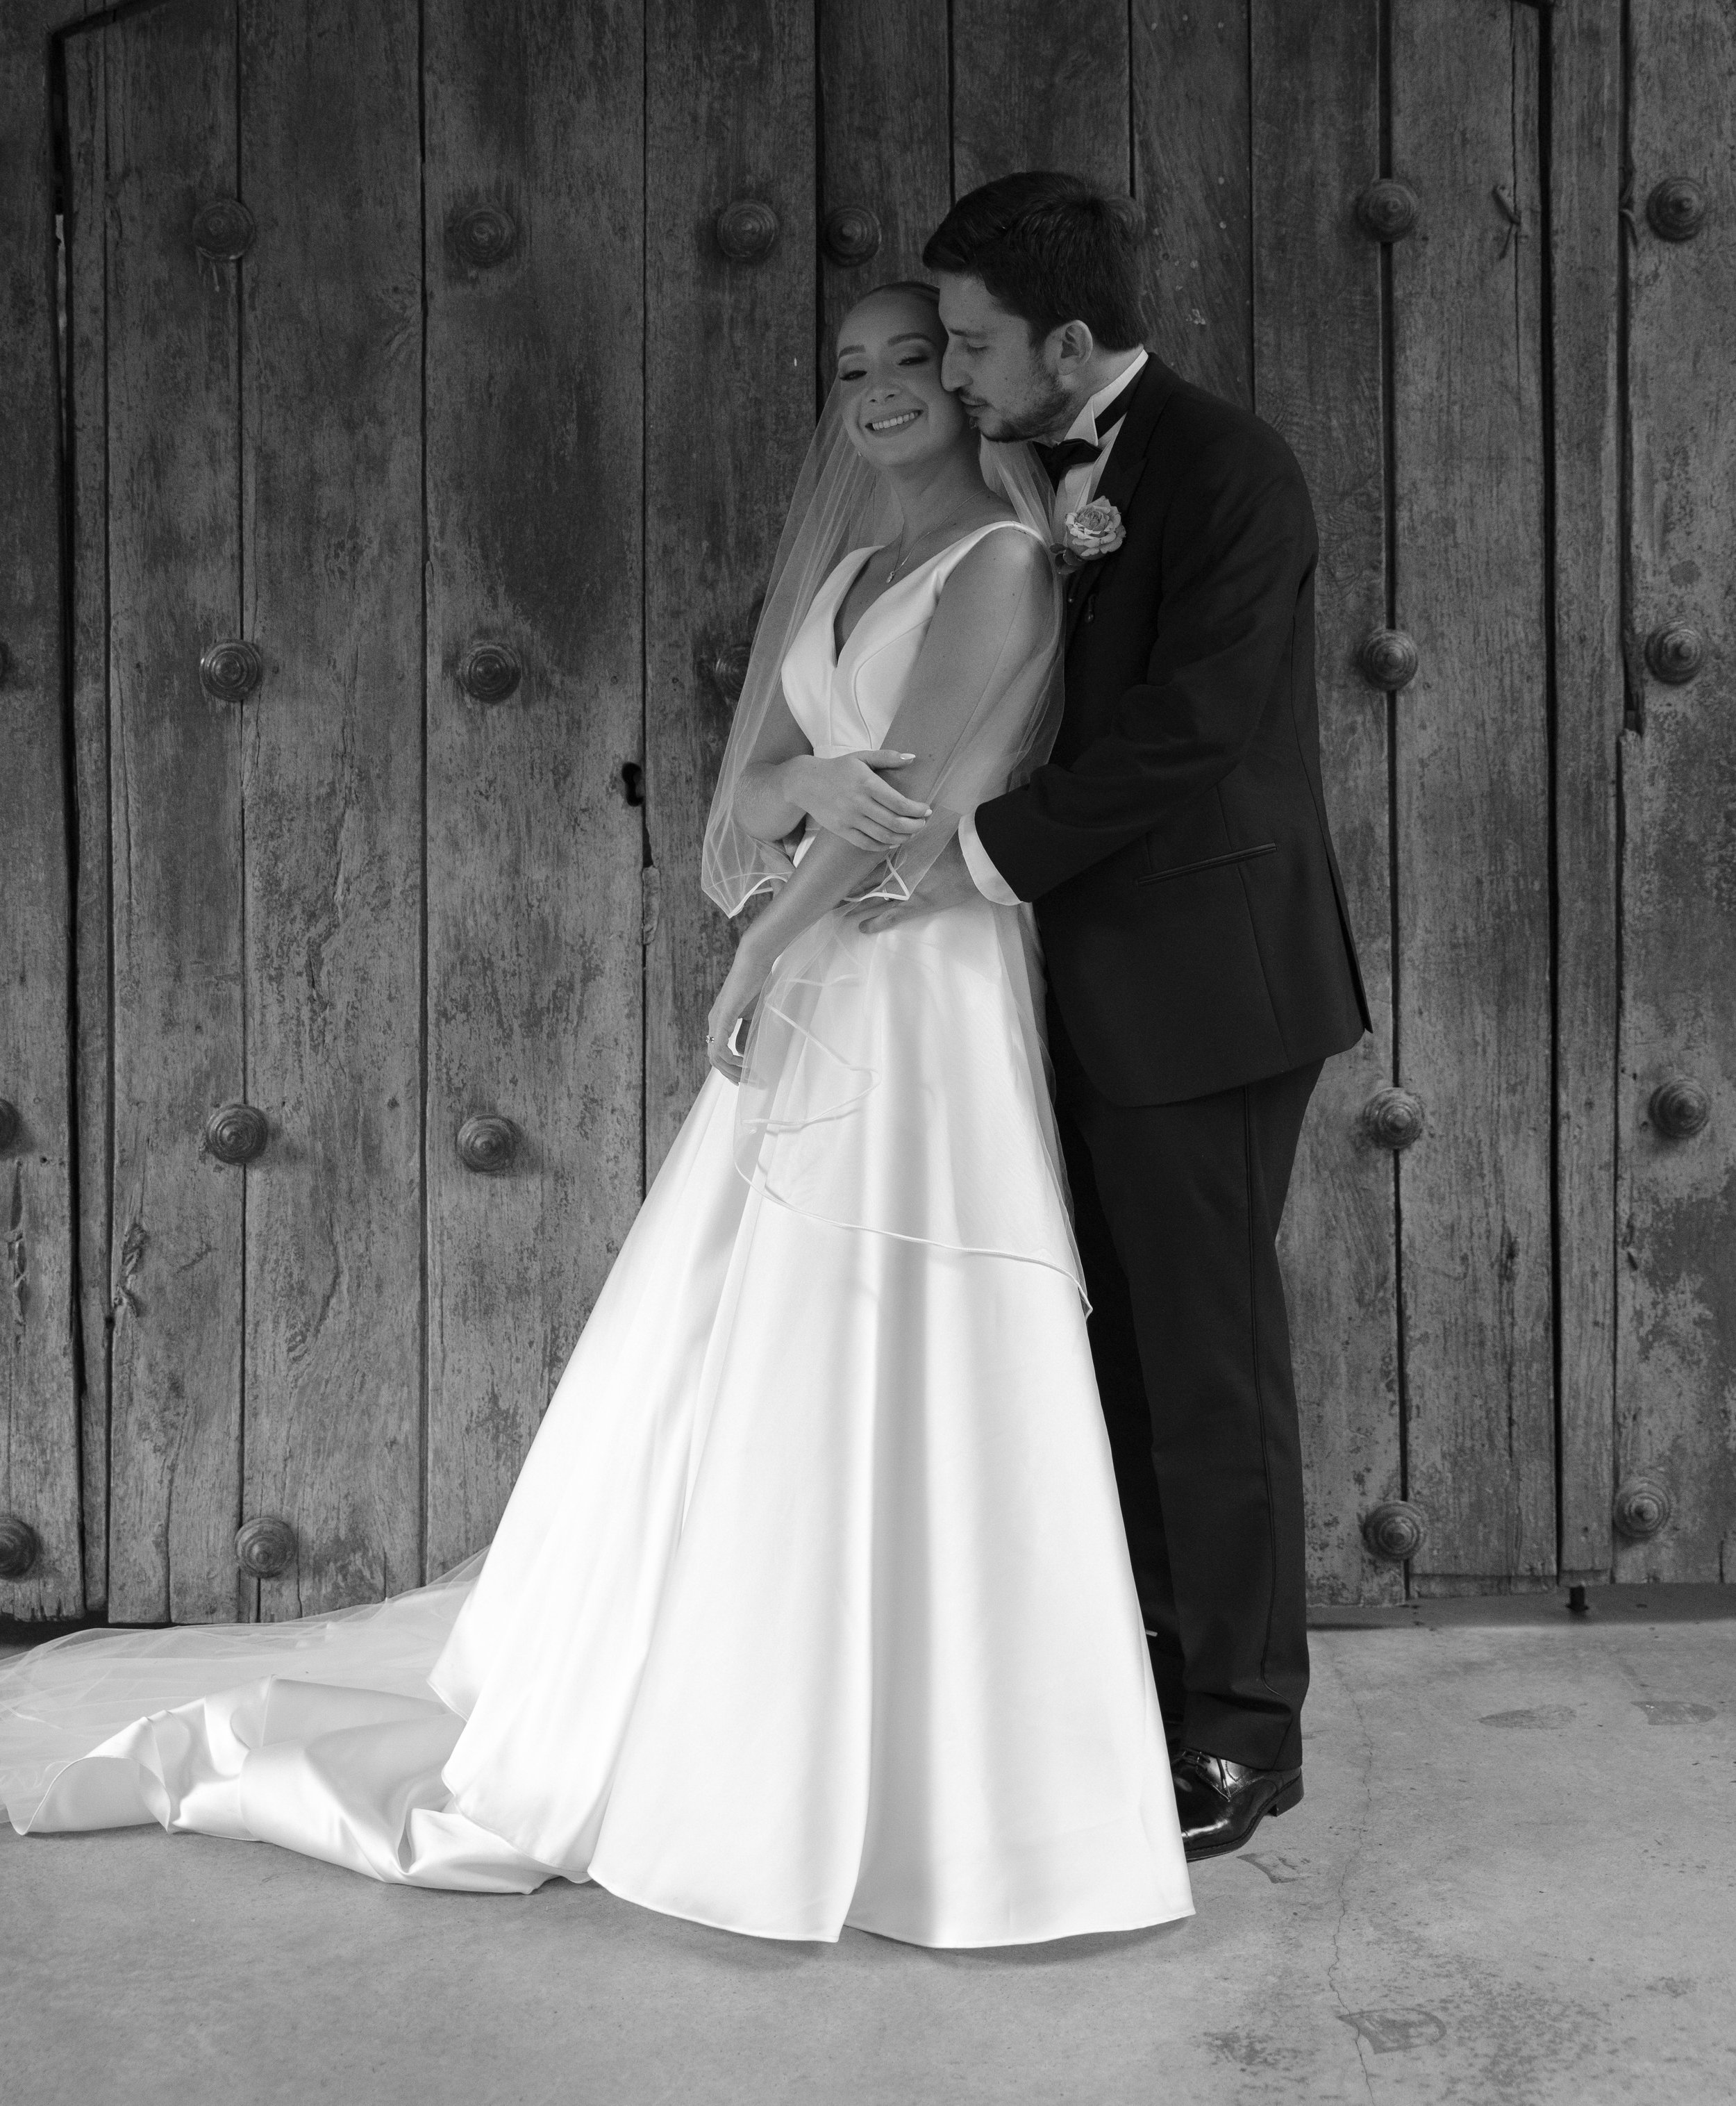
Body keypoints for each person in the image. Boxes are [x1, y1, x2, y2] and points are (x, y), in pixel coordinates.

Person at [0, 280, 1192, 1949]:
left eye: (912, 363)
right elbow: (773, 782)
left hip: (918, 988)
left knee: (898, 1316)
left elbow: (904, 808)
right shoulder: (848, 570)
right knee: (758, 1328)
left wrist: (756, 949)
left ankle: (948, 1789)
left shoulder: (999, 569)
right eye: (848, 369)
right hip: (823, 968)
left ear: (971, 388)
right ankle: (739, 1716)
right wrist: (783, 821)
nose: (874, 394)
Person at [863, 174, 1371, 1859]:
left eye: (977, 342)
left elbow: (1189, 734)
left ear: (1068, 339)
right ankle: (1129, 1684)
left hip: (1205, 989)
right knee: (1102, 1353)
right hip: (1048, 984)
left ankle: (1240, 1735)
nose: (953, 371)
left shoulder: (1230, 472)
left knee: (1204, 1361)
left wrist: (973, 857)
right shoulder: (1023, 474)